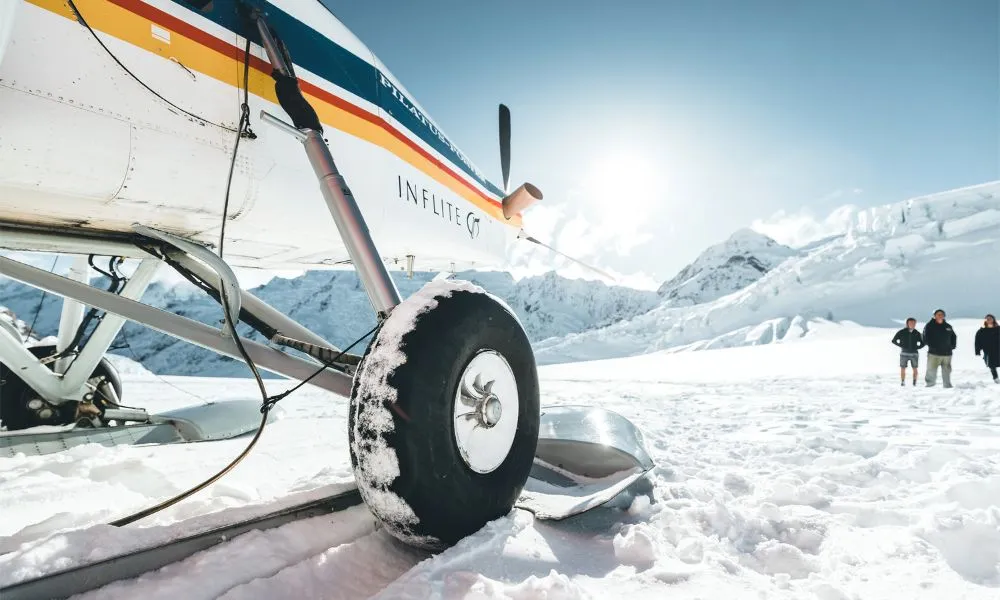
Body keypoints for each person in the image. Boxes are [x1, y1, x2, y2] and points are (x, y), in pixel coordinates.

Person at [923, 309, 957, 388]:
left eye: (941, 314)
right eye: (938, 314)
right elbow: (925, 338)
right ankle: (930, 386)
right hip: (934, 354)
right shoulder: (929, 326)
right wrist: (932, 346)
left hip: (947, 354)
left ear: (944, 316)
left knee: (947, 371)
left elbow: (954, 337)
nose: (940, 316)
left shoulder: (948, 326)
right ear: (934, 316)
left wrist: (952, 346)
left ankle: (947, 386)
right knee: (931, 370)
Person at [891, 317, 924, 386]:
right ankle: (902, 382)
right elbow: (894, 340)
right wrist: (901, 345)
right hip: (904, 353)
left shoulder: (917, 333)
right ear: (907, 324)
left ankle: (914, 382)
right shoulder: (902, 332)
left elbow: (923, 343)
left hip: (914, 353)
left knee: (915, 368)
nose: (912, 324)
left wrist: (917, 347)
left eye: (914, 323)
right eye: (911, 323)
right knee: (903, 368)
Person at [974, 314, 1000, 383]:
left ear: (993, 319)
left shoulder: (998, 329)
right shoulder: (981, 331)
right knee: (991, 365)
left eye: (990, 318)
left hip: (998, 350)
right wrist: (977, 350)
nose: (989, 320)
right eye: (987, 318)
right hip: (988, 351)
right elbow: (977, 341)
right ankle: (996, 378)